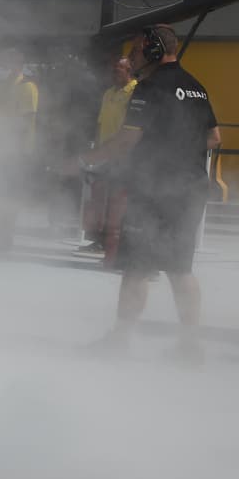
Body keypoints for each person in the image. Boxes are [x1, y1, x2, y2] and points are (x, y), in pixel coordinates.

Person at [60, 25, 221, 362]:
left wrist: (82, 160)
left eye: (135, 51)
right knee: (180, 268)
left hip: (155, 189)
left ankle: (119, 341)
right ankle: (190, 347)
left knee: (136, 265)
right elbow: (214, 138)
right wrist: (178, 148)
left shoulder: (149, 88)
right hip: (190, 187)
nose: (131, 58)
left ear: (153, 50)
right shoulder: (196, 87)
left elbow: (125, 141)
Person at [78, 55, 137, 266]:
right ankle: (100, 241)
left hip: (122, 155)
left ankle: (117, 248)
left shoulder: (135, 91)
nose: (114, 73)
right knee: (100, 200)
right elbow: (100, 123)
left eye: (118, 70)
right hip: (105, 155)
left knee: (118, 203)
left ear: (129, 70)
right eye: (113, 70)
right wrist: (96, 148)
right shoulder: (108, 93)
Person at [0, 50, 39, 248]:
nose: (5, 67)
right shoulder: (1, 87)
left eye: (8, 63)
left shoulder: (27, 87)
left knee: (10, 193)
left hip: (17, 150)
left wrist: (15, 148)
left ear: (18, 65)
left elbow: (27, 121)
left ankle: (6, 234)